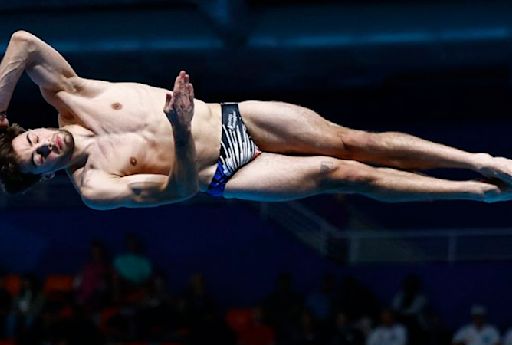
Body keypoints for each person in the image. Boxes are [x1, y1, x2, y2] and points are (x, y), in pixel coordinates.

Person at [2, 31, 512, 209]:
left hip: (231, 118)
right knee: (344, 175)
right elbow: (177, 193)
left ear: (28, 130)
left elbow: (22, 42)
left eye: (33, 144)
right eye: (39, 162)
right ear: (46, 176)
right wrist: (179, 132)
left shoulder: (71, 95)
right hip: (224, 173)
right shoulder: (95, 185)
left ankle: (481, 160)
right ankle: (476, 192)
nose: (45, 148)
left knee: (351, 140)